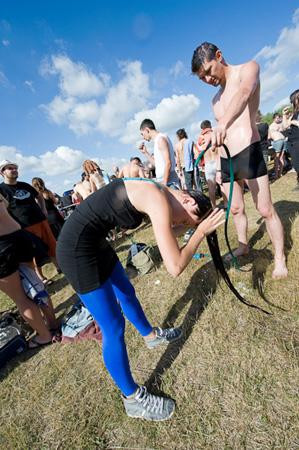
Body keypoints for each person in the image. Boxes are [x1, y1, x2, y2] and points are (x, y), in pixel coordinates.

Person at [57, 178, 225, 421]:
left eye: (185, 224)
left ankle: (151, 336)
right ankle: (132, 399)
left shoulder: (164, 193)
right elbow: (175, 266)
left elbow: (167, 231)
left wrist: (194, 227)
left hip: (94, 242)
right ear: (187, 200)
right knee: (113, 327)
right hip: (76, 250)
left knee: (126, 291)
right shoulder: (157, 198)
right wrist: (198, 231)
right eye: (184, 220)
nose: (180, 224)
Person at [191, 42, 287, 278]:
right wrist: (210, 136)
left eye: (208, 71)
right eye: (202, 78)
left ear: (219, 56)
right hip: (226, 157)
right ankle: (243, 245)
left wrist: (222, 123)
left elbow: (244, 94)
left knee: (264, 209)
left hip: (249, 148)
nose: (207, 80)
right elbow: (223, 129)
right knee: (235, 208)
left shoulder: (248, 69)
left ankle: (279, 258)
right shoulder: (215, 100)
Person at [0, 193, 57, 348]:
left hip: (2, 245)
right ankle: (52, 324)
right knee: (35, 283)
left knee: (20, 298)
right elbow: (5, 204)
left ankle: (45, 335)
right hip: (18, 235)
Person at [0, 160, 59, 283]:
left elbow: (39, 196)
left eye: (15, 168)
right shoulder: (1, 189)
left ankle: (59, 267)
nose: (14, 170)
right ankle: (41, 278)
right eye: (10, 168)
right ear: (2, 172)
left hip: (41, 220)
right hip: (24, 226)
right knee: (34, 254)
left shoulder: (25, 185)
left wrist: (43, 209)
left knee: (52, 245)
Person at [139, 119, 179, 188]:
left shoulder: (160, 139)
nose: (143, 137)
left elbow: (168, 163)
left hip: (169, 181)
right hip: (165, 180)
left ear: (147, 130)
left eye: (142, 134)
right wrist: (145, 153)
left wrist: (164, 184)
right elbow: (157, 164)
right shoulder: (158, 140)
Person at [197, 120, 218, 208]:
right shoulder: (214, 134)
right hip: (217, 161)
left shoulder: (200, 138)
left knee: (211, 187)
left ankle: (214, 207)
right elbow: (213, 148)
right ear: (210, 126)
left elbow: (200, 150)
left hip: (208, 164)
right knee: (223, 185)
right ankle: (226, 203)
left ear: (202, 128)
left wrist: (198, 146)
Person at [284, 89, 299, 190]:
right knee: (297, 166)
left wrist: (294, 122)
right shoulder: (294, 113)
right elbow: (285, 126)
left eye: (292, 100)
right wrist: (284, 115)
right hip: (293, 143)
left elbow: (294, 124)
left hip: (297, 141)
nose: (292, 103)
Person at [268, 113, 287, 179]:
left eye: (279, 118)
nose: (278, 119)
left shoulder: (277, 124)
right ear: (274, 118)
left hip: (281, 141)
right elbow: (269, 136)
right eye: (277, 118)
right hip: (280, 141)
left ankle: (278, 174)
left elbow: (269, 137)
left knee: (279, 158)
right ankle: (278, 174)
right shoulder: (272, 126)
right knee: (279, 158)